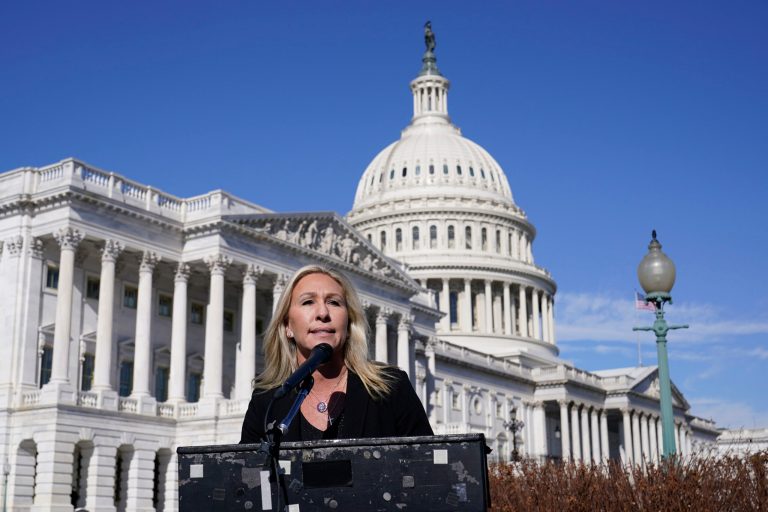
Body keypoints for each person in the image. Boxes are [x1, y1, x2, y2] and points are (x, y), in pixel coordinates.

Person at [240, 265, 433, 443]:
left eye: (334, 302)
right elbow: (244, 467)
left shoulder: (390, 387)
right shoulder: (267, 401)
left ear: (349, 325)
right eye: (308, 302)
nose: (323, 313)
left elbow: (428, 461)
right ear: (287, 326)